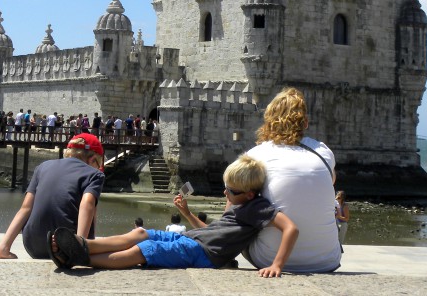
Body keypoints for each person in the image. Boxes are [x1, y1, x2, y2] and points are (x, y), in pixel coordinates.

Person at [48, 154, 298, 277]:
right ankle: (84, 245)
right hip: (195, 240)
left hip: (203, 254)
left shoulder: (257, 207)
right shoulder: (238, 205)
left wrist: (277, 264)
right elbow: (212, 231)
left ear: (250, 195)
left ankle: (83, 258)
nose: (225, 192)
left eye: (230, 190)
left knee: (145, 249)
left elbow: (291, 229)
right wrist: (187, 213)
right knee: (140, 233)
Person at [246, 87, 342, 273]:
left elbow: (232, 208)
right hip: (327, 260)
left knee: (242, 198)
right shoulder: (323, 152)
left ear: (268, 122)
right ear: (305, 123)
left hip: (266, 258)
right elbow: (330, 182)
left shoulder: (256, 155)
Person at [0, 133, 105, 260]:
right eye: (98, 164)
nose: (98, 168)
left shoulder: (42, 167)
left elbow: (25, 208)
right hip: (65, 247)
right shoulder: (94, 174)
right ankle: (79, 245)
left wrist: (4, 247)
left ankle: (3, 249)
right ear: (92, 159)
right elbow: (87, 205)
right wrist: (79, 248)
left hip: (34, 245)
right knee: (92, 203)